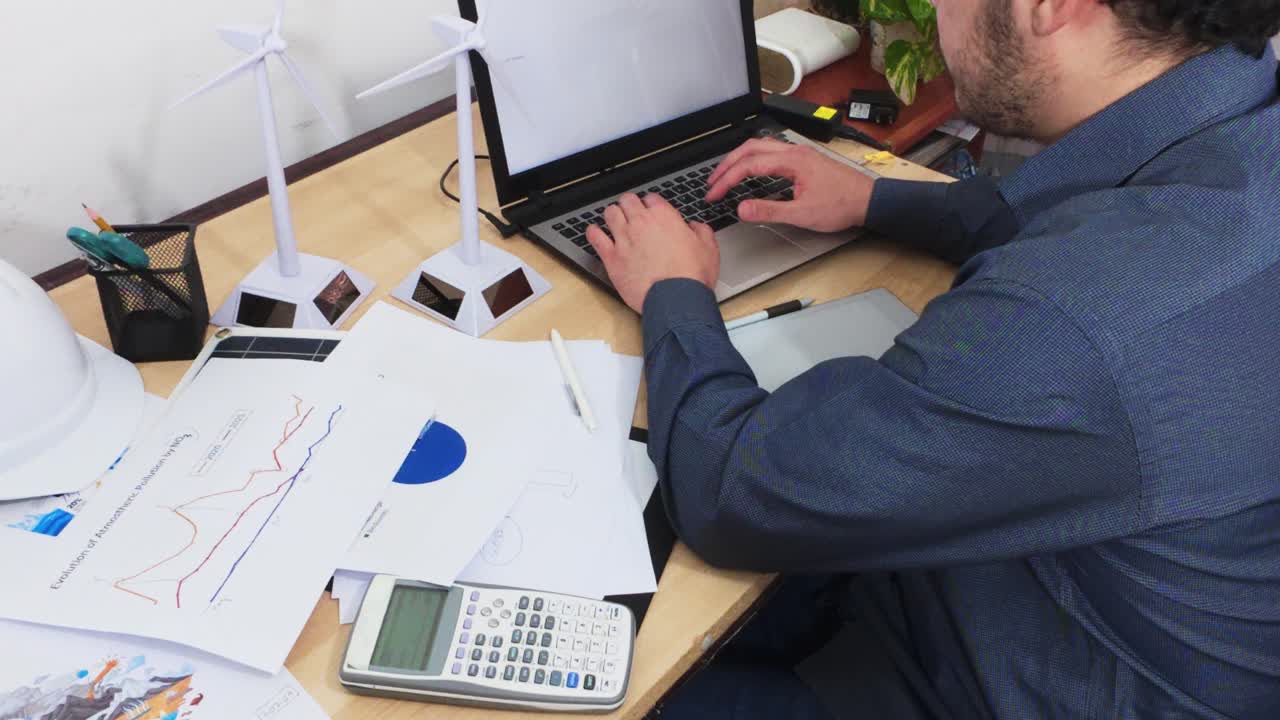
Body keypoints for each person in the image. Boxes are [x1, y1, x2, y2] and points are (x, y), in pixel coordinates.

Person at [584, 1, 1280, 718]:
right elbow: (1068, 216)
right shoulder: (1240, 119)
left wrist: (671, 289)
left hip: (1026, 670)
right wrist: (874, 200)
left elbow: (729, 494)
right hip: (1083, 595)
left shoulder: (1073, 318)